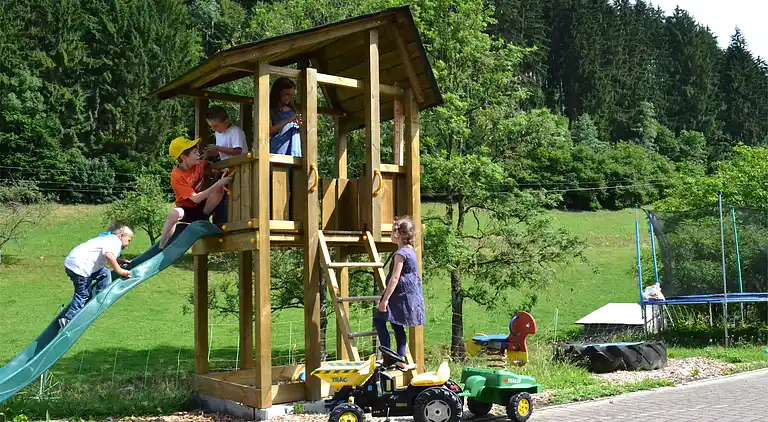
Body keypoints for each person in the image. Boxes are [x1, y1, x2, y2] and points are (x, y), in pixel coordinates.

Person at [158, 137, 232, 249]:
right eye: (194, 153)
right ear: (183, 157)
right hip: (188, 210)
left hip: (203, 210)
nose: (198, 154)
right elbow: (196, 199)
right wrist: (218, 183)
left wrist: (216, 169)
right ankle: (163, 244)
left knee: (219, 189)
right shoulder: (177, 175)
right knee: (174, 213)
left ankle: (203, 219)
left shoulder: (199, 164)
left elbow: (211, 165)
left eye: (197, 151)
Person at [59, 222, 134, 329]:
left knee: (105, 273)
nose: (128, 244)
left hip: (76, 262)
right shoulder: (115, 241)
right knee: (83, 293)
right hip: (80, 266)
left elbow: (102, 254)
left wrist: (119, 261)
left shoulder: (107, 238)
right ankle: (68, 320)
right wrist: (119, 270)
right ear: (121, 235)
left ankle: (99, 296)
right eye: (129, 240)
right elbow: (108, 255)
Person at [375, 215, 425, 369]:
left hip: (398, 294)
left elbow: (396, 277)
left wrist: (384, 300)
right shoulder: (411, 251)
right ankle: (401, 358)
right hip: (408, 294)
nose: (390, 234)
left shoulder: (400, 254)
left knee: (379, 320)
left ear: (400, 234)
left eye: (392, 232)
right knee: (397, 325)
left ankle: (388, 355)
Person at [202, 106, 247, 223]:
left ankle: (225, 223)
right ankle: (217, 222)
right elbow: (223, 150)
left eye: (215, 126)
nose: (213, 129)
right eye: (211, 126)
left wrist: (217, 148)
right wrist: (211, 152)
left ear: (226, 122)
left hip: (239, 171)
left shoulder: (235, 132)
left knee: (229, 200)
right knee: (218, 198)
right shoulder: (218, 133)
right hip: (225, 171)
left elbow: (237, 151)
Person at [269, 77, 302, 157]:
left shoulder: (293, 111)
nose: (289, 98)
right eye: (287, 94)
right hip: (277, 151)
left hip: (294, 150)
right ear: (278, 93)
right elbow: (269, 131)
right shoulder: (270, 110)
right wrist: (288, 121)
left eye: (291, 95)